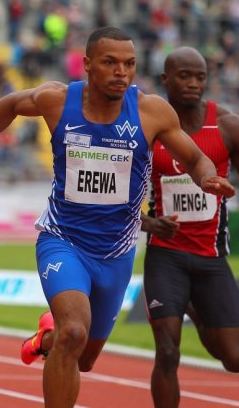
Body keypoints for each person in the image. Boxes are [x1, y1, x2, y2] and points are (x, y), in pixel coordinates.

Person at [0, 27, 235, 407]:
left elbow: (194, 157)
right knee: (75, 333)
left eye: (129, 64)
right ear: (88, 65)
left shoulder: (150, 111)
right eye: (110, 63)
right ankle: (60, 336)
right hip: (63, 240)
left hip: (116, 252)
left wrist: (207, 176)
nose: (121, 72)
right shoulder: (57, 100)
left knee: (86, 357)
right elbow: (9, 105)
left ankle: (46, 337)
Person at [141, 46, 239, 408]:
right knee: (167, 353)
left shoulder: (227, 126)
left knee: (233, 358)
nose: (194, 84)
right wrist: (150, 223)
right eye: (184, 76)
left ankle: (196, 310)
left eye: (200, 76)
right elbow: (118, 195)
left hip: (212, 259)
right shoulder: (148, 129)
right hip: (166, 257)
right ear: (166, 79)